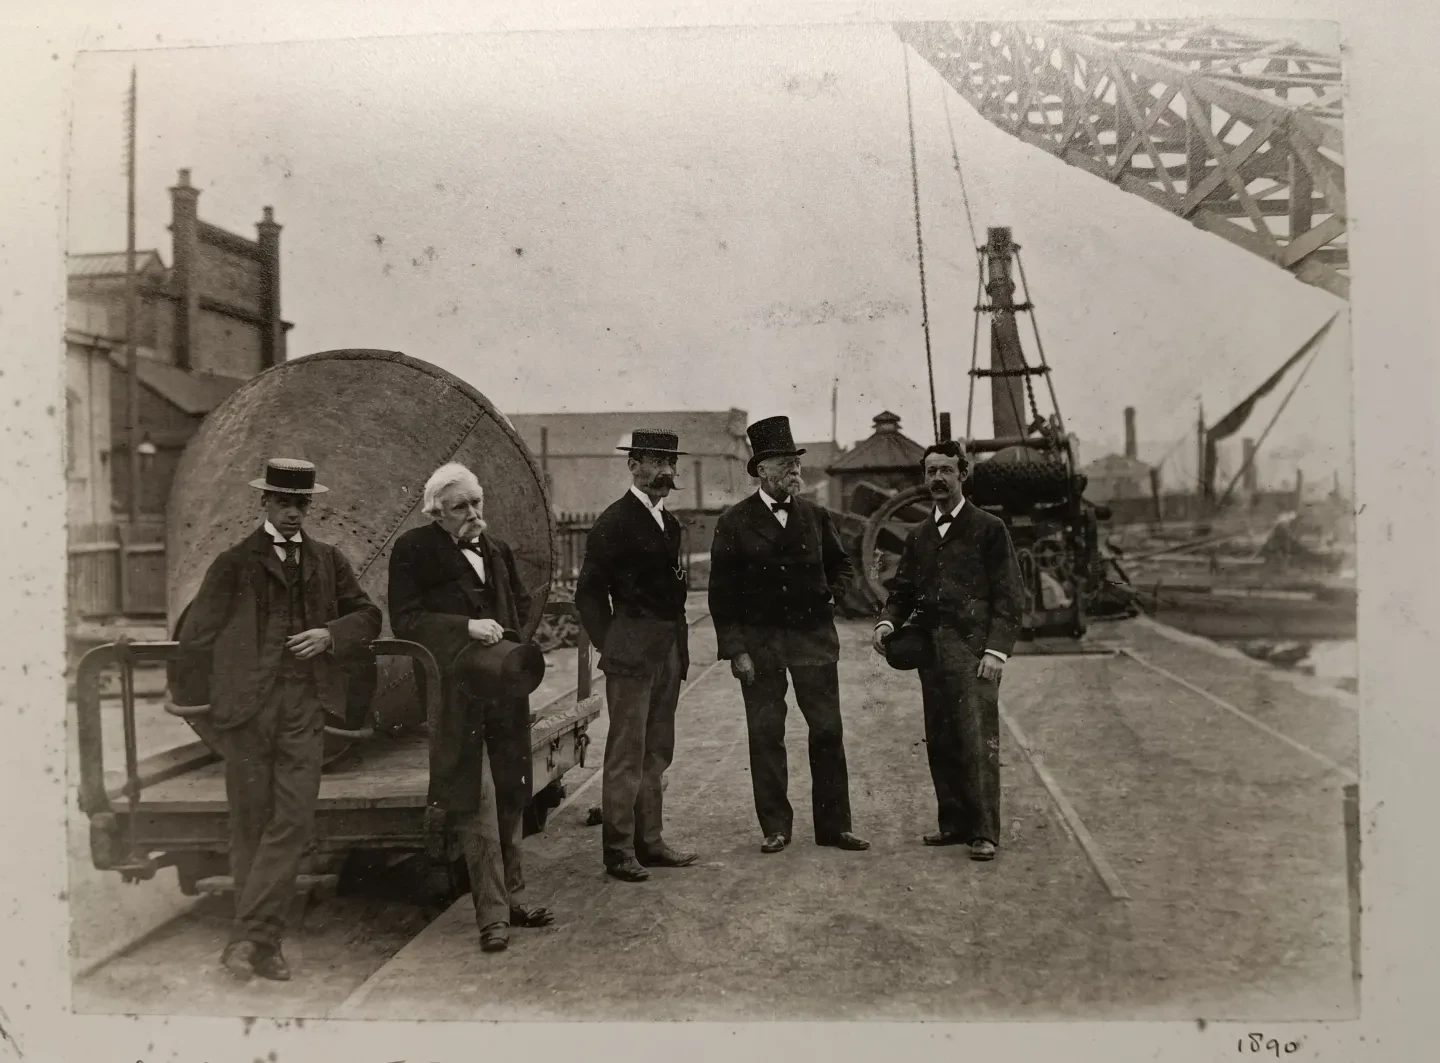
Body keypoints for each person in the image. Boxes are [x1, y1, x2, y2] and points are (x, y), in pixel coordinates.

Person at [173, 458, 382, 981]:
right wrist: (209, 709)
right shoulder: (233, 563)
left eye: (302, 504)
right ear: (264, 503)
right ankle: (263, 946)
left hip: (303, 708)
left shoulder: (327, 560)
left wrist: (330, 635)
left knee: (293, 820)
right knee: (249, 826)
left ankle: (247, 939)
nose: (293, 513)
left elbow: (368, 615)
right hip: (244, 714)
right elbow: (195, 639)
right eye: (284, 503)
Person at [387, 462, 555, 953]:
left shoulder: (497, 549)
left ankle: (514, 899)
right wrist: (466, 627)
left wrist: (513, 654)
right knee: (475, 801)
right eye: (460, 507)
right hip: (455, 694)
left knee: (510, 794)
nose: (473, 514)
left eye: (476, 503)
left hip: (504, 690)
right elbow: (406, 619)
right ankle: (492, 916)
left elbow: (521, 607)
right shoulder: (413, 550)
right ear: (436, 512)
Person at [709, 416, 869, 855]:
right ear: (762, 469)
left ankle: (835, 827)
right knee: (766, 735)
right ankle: (775, 827)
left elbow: (842, 566)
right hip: (760, 650)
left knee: (827, 731)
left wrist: (833, 599)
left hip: (813, 644)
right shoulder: (734, 521)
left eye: (796, 464)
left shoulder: (816, 516)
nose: (794, 472)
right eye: (785, 464)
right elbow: (721, 596)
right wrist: (736, 650)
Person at [872, 441, 1024, 861]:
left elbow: (1010, 598)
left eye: (946, 471)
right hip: (931, 653)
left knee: (976, 740)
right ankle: (954, 824)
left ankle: (984, 832)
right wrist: (888, 621)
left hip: (973, 652)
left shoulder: (989, 528)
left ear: (962, 475)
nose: (937, 479)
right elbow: (901, 591)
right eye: (930, 472)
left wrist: (996, 651)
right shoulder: (919, 535)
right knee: (941, 738)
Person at [575, 429, 698, 882]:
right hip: (631, 656)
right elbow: (587, 595)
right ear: (633, 466)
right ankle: (619, 850)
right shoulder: (614, 522)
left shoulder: (669, 523)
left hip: (667, 653)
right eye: (655, 462)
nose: (666, 471)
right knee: (626, 752)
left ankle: (651, 842)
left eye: (670, 463)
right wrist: (613, 644)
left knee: (657, 752)